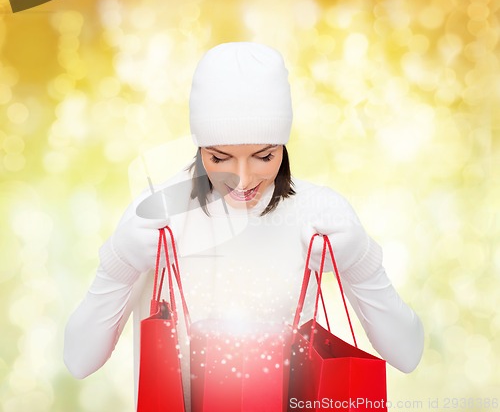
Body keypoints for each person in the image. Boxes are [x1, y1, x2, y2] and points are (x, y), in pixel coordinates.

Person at [64, 42, 424, 408]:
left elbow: (407, 354)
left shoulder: (318, 213)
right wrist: (119, 263)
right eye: (219, 156)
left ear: (283, 145)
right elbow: (79, 360)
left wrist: (361, 263)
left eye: (263, 156)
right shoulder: (158, 214)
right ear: (200, 145)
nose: (242, 178)